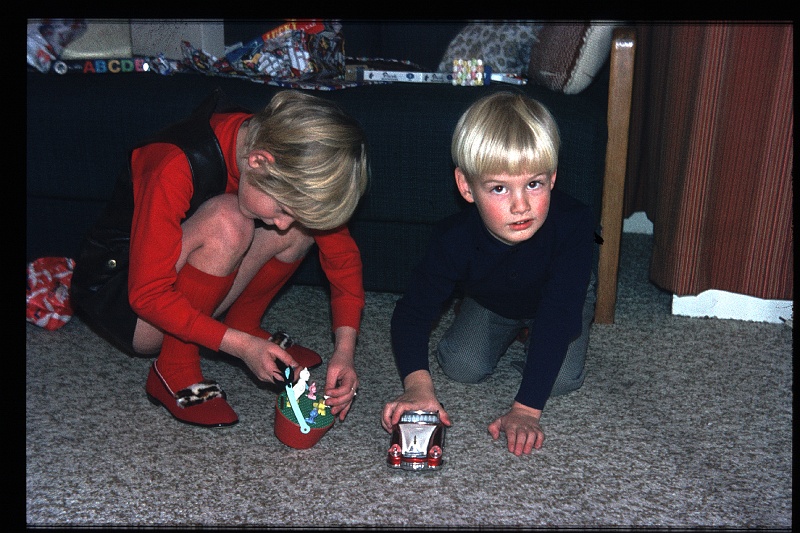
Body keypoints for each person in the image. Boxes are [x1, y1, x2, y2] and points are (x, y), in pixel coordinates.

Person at [71, 89, 369, 428]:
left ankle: (243, 323)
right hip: (127, 303)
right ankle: (174, 367)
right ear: (259, 162)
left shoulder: (267, 147)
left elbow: (343, 259)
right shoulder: (172, 163)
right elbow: (147, 295)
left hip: (171, 287)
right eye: (283, 209)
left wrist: (344, 352)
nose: (283, 223)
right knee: (229, 220)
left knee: (305, 227)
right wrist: (239, 347)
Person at [381, 91, 597, 455]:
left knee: (561, 380)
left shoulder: (575, 225)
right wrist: (417, 387)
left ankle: (531, 335)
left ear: (553, 178)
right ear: (466, 187)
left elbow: (559, 315)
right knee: (460, 366)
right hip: (493, 296)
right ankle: (489, 316)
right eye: (499, 188)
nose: (520, 205)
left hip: (560, 296)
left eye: (534, 184)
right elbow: (411, 312)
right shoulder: (453, 238)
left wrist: (526, 410)